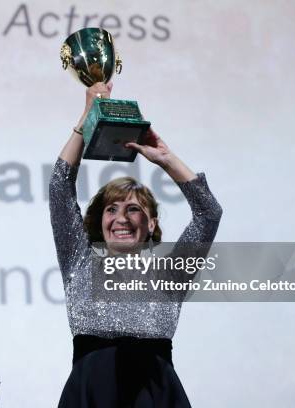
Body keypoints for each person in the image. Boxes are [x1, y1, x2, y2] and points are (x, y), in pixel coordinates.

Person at [49, 83, 223, 407]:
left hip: (156, 396)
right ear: (100, 222)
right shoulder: (80, 260)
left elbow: (208, 213)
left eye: (133, 209)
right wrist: (86, 119)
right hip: (91, 394)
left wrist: (167, 159)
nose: (121, 218)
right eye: (111, 209)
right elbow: (60, 186)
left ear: (152, 224)